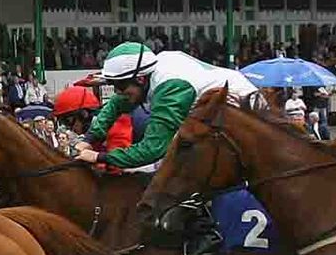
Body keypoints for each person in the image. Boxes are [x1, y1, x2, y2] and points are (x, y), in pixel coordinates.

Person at [73, 41, 259, 172]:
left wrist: (99, 157)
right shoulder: (149, 71)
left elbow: (153, 149)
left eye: (120, 86)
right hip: (217, 113)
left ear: (140, 78)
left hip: (246, 114)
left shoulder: (170, 87)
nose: (117, 92)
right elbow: (116, 104)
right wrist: (89, 139)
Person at [51, 79, 132, 152]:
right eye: (64, 123)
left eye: (68, 121)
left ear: (84, 115)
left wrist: (96, 158)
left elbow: (117, 163)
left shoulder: (116, 125)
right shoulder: (94, 136)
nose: (70, 128)